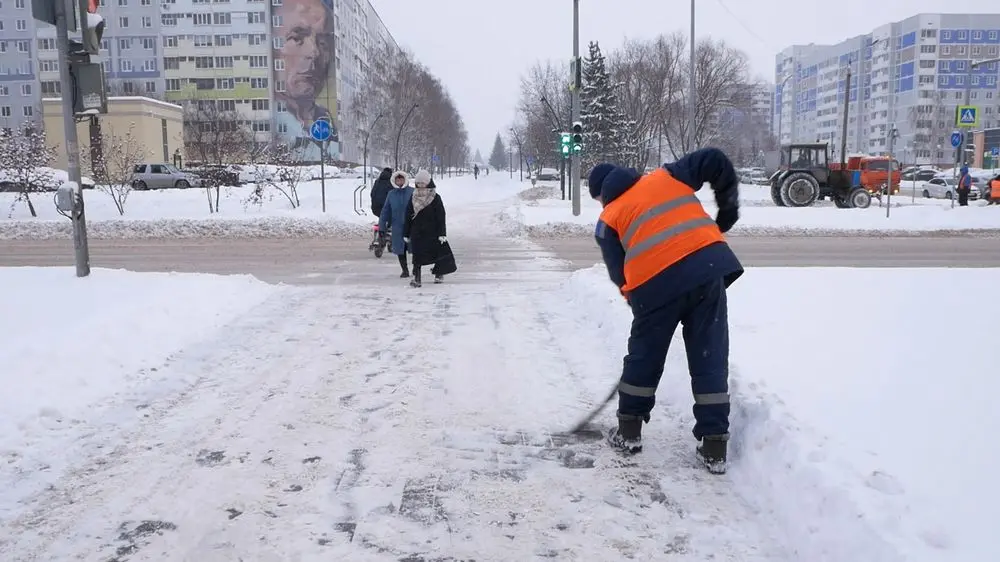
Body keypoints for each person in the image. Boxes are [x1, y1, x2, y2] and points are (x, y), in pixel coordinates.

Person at [588, 147, 744, 475]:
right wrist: (727, 208)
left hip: (655, 287)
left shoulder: (607, 220)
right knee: (710, 356)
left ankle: (629, 430)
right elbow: (715, 158)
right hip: (708, 268)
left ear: (601, 195)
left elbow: (620, 275)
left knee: (644, 356)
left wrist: (639, 304)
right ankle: (715, 444)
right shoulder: (666, 176)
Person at [403, 169, 454, 287]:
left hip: (432, 232)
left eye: (423, 183)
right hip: (417, 232)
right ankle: (417, 279)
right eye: (418, 183)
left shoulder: (435, 197)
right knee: (417, 256)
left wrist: (442, 233)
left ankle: (439, 273)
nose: (421, 185)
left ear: (428, 182)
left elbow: (441, 216)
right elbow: (408, 216)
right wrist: (406, 233)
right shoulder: (413, 197)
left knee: (437, 254)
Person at [378, 171, 414, 278]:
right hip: (397, 226)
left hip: (412, 225)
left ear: (405, 180)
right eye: (397, 180)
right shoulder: (391, 194)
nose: (400, 182)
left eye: (401, 179)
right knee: (400, 249)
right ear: (394, 181)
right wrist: (382, 226)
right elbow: (385, 210)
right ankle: (405, 270)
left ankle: (416, 269)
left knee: (414, 248)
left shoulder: (412, 192)